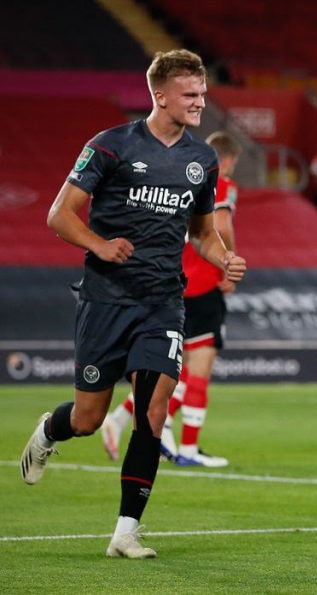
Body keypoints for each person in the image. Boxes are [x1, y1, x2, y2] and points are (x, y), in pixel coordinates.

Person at [19, 50, 246, 558]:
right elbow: (60, 215)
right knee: (87, 419)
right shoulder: (111, 146)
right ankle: (49, 430)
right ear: (159, 95)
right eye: (190, 95)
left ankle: (126, 530)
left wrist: (224, 258)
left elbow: (203, 234)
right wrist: (99, 245)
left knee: (152, 412)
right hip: (106, 300)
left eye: (203, 94)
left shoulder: (201, 160)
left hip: (164, 302)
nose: (199, 103)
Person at [101, 131, 244, 468]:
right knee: (198, 371)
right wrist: (228, 262)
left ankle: (122, 420)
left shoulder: (179, 178)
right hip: (205, 284)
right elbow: (220, 225)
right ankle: (187, 447)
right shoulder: (222, 182)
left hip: (175, 283)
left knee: (175, 372)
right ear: (227, 160)